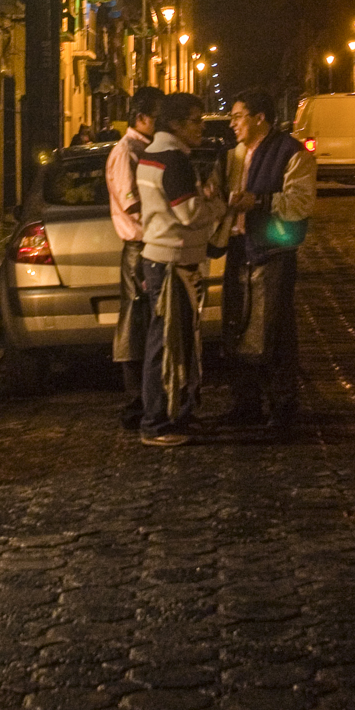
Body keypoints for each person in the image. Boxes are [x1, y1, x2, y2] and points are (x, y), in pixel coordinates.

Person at [222, 87, 315, 434]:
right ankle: (245, 403)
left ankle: (283, 405)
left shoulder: (292, 154)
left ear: (259, 118)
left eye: (237, 116)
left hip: (273, 251)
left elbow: (300, 203)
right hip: (239, 249)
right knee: (238, 324)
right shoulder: (234, 155)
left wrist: (259, 202)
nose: (232, 123)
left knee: (274, 330)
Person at [135, 93, 224, 447]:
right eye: (195, 121)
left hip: (162, 257)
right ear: (174, 124)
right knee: (167, 344)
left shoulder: (151, 155)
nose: (201, 127)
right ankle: (156, 422)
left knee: (176, 342)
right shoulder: (175, 161)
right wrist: (216, 203)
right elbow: (189, 214)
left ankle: (177, 414)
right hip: (173, 261)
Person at [104, 85, 166, 431]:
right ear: (141, 118)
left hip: (149, 244)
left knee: (149, 320)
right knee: (136, 321)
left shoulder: (146, 148)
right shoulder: (127, 151)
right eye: (158, 117)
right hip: (140, 247)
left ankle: (148, 394)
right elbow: (133, 203)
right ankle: (135, 399)